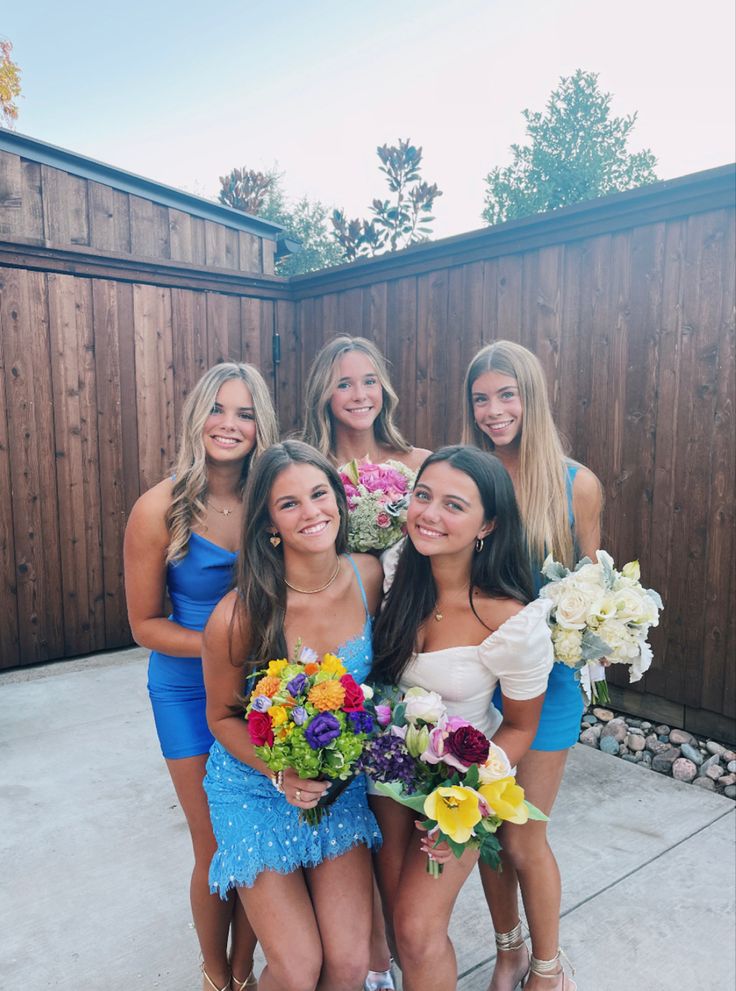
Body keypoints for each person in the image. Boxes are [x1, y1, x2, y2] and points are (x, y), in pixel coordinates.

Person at [202, 440, 384, 991]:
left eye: (319, 494)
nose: (311, 513)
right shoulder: (238, 615)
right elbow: (221, 717)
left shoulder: (369, 576)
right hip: (256, 788)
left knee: (351, 965)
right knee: (298, 966)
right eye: (289, 504)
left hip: (336, 786)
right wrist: (280, 773)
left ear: (339, 501)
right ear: (269, 526)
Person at [370, 446, 553, 991]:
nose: (429, 514)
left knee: (419, 928)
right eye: (422, 496)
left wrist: (471, 801)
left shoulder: (509, 621)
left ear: (488, 524)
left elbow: (520, 726)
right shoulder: (397, 571)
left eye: (454, 505)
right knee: (395, 928)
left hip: (458, 787)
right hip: (385, 776)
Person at [124, 361, 279, 991]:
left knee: (256, 836)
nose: (229, 424)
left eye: (245, 413)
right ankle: (217, 976)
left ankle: (245, 967)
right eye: (218, 409)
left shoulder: (274, 497)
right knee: (215, 843)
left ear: (260, 424)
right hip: (188, 690)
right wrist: (226, 652)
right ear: (197, 417)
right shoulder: (158, 508)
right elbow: (144, 625)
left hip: (264, 692)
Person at [463, 340, 601, 991]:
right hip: (474, 682)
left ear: (532, 396)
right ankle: (509, 948)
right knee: (487, 828)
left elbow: (589, 592)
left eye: (507, 394)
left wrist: (591, 621)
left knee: (522, 836)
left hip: (548, 686)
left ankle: (548, 966)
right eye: (482, 398)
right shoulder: (469, 477)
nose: (494, 410)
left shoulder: (577, 484)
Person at [302, 335, 430, 990]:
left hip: (407, 656)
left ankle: (406, 938)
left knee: (394, 803)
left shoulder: (417, 462)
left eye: (370, 381)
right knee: (352, 795)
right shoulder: (311, 471)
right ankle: (370, 946)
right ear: (325, 391)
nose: (359, 395)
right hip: (341, 659)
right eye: (345, 382)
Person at [302, 335, 430, 473]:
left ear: (383, 388)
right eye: (344, 385)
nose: (360, 396)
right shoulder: (308, 472)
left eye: (369, 382)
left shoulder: (421, 463)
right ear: (323, 393)